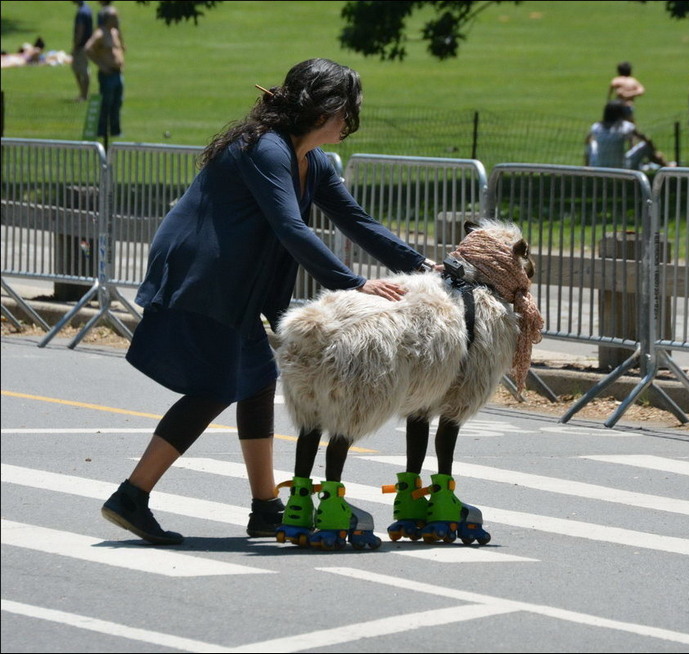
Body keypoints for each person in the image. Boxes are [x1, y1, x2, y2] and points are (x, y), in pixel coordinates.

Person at [100, 58, 435, 545]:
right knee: (217, 386)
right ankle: (131, 495)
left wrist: (423, 266)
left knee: (256, 379)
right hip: (206, 272)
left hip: (239, 278)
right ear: (323, 109)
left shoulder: (312, 162)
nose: (349, 121)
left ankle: (265, 507)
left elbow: (357, 222)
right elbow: (290, 227)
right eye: (346, 110)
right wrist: (352, 283)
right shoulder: (265, 149)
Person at [84, 6, 125, 140]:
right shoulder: (100, 33)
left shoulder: (114, 32)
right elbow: (88, 49)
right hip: (107, 74)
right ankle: (101, 130)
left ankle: (115, 131)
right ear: (108, 19)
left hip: (118, 73)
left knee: (117, 103)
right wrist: (101, 65)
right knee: (106, 103)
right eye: (115, 17)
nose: (117, 19)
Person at [585, 101, 644, 168]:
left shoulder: (596, 126)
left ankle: (586, 169)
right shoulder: (625, 126)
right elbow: (643, 139)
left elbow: (587, 140)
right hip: (621, 167)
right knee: (645, 145)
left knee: (591, 143)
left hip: (599, 166)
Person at [70, 1, 92, 101]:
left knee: (82, 70)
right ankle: (83, 93)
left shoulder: (81, 12)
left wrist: (76, 45)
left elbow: (80, 30)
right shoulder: (87, 10)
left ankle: (84, 95)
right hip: (87, 45)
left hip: (81, 46)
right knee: (78, 69)